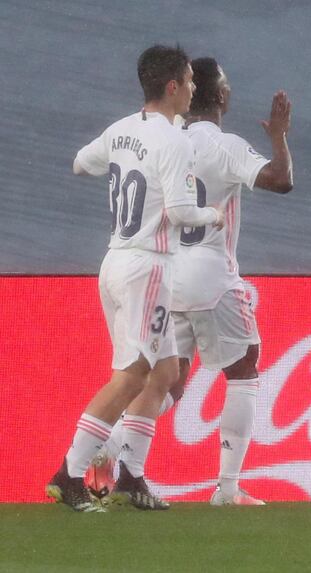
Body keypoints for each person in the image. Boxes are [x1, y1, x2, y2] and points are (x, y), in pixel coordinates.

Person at [89, 57, 293, 506]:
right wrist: (278, 138)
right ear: (221, 96)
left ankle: (103, 456)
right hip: (213, 276)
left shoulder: (164, 139)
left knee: (167, 380)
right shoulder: (226, 145)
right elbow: (281, 181)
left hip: (166, 274)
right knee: (244, 369)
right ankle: (227, 488)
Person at [46, 45, 224, 512]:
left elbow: (81, 163)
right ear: (171, 87)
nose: (192, 90)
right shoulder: (175, 140)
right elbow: (183, 212)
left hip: (116, 261)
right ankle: (70, 473)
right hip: (147, 265)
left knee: (165, 372)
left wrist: (122, 164)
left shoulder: (122, 129)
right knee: (130, 376)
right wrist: (214, 214)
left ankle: (130, 475)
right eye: (188, 81)